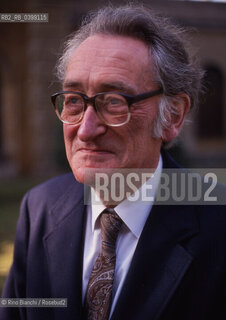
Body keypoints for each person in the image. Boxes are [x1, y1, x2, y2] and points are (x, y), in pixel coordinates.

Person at [1, 4, 226, 320]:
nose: (86, 129)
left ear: (173, 115)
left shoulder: (219, 227)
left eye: (115, 102)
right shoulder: (39, 208)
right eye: (75, 101)